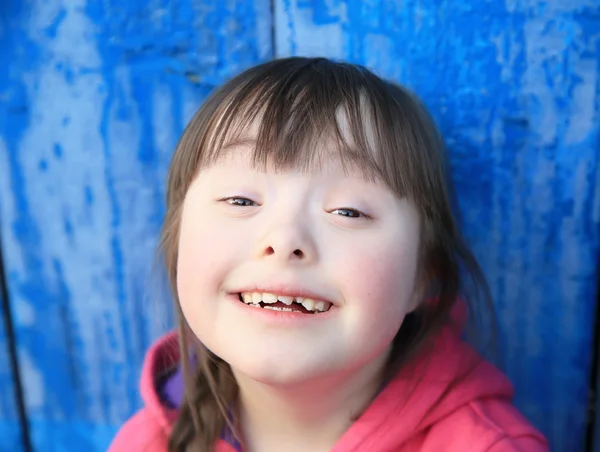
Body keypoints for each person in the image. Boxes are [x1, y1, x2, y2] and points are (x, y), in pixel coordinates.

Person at [108, 57, 548, 452]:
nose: (284, 239)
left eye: (348, 211)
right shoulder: (151, 441)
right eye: (241, 201)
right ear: (178, 238)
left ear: (422, 275)